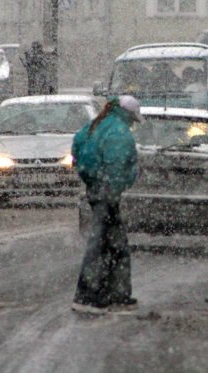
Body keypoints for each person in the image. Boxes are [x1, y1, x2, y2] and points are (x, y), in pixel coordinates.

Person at [71, 95, 141, 314]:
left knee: (116, 243)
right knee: (101, 244)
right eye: (133, 119)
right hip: (107, 194)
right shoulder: (119, 133)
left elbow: (77, 146)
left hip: (96, 190)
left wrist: (89, 175)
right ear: (127, 114)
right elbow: (117, 165)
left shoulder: (96, 124)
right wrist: (115, 187)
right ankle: (89, 295)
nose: (133, 124)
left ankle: (118, 294)